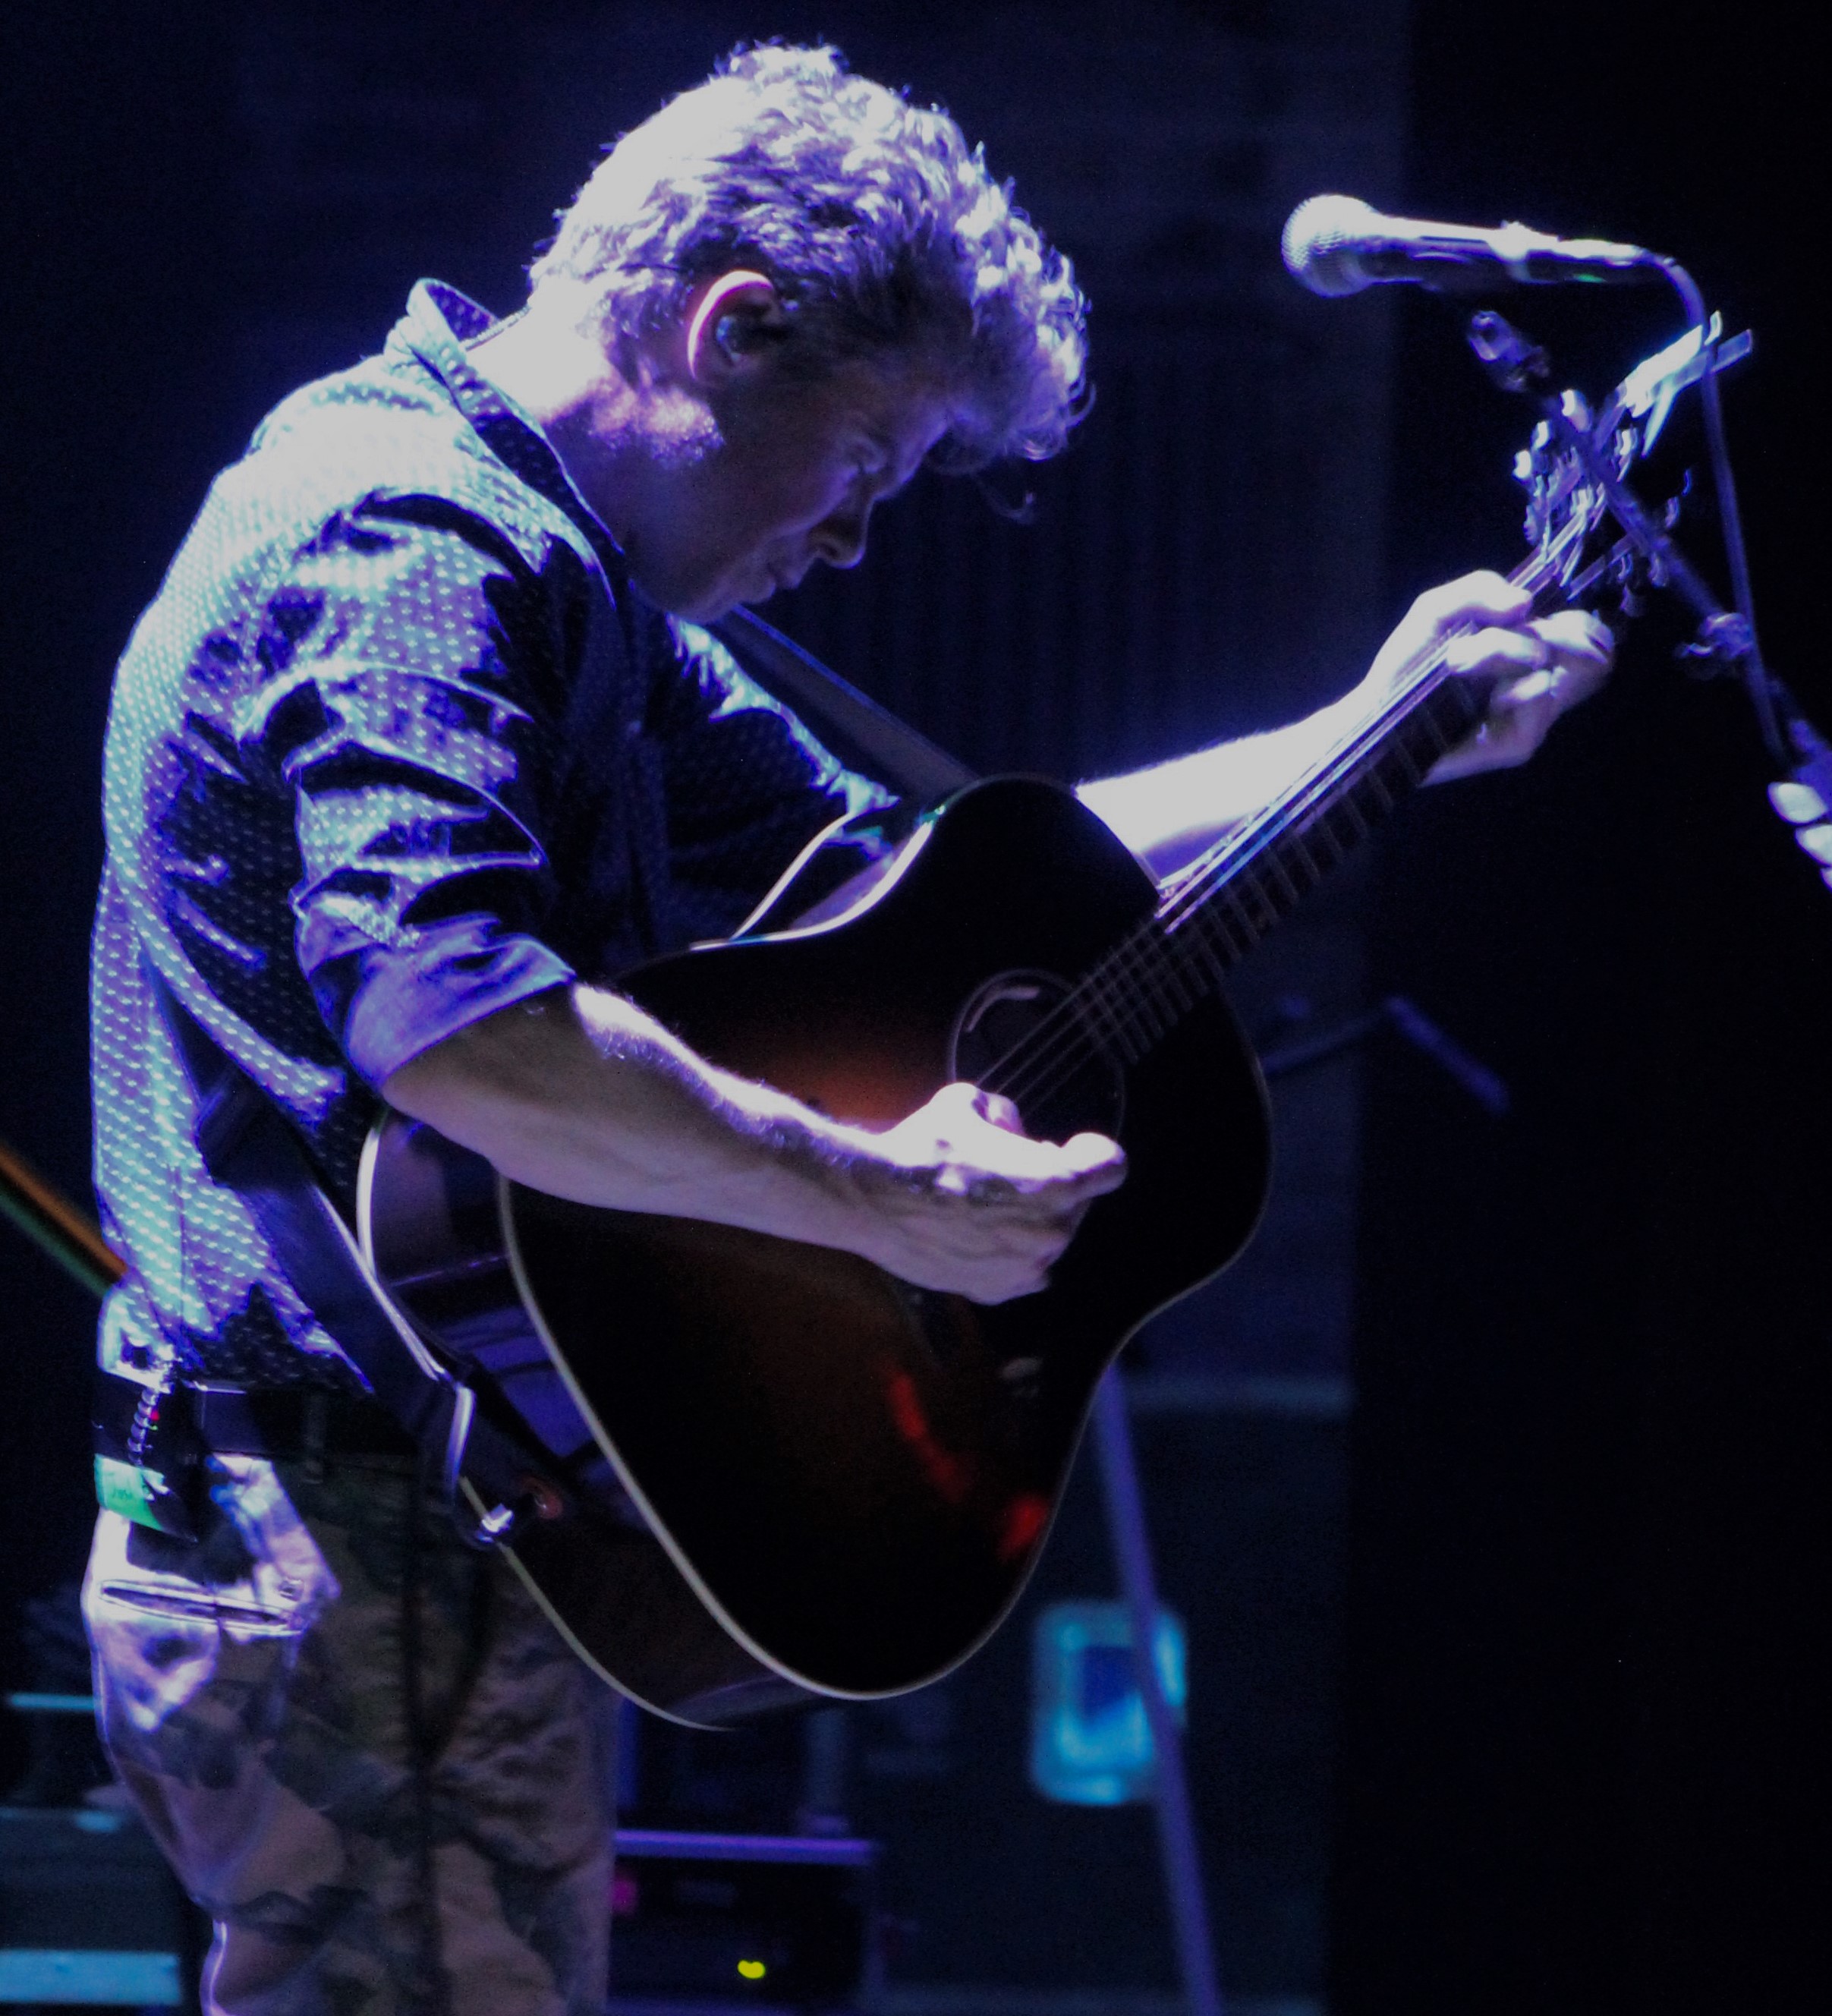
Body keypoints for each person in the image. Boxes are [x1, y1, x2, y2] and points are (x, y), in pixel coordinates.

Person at [80, 42, 1610, 2016]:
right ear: (734, 327)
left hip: (413, 1556)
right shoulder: (412, 548)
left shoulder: (579, 581)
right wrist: (877, 1191)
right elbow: (453, 1025)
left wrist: (1374, 735)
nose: (859, 542)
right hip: (348, 1549)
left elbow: (934, 877)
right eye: (869, 466)